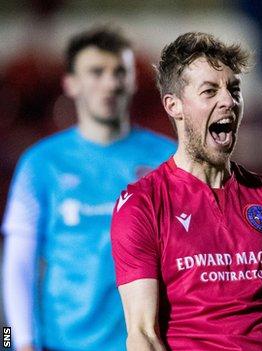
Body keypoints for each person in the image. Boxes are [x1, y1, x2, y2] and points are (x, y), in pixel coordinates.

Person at [110, 32, 262, 351]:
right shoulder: (143, 204)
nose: (228, 101)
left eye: (234, 89)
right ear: (174, 106)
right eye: (210, 91)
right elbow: (144, 334)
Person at [2, 27, 176, 351]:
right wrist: (17, 342)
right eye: (96, 72)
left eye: (119, 72)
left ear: (134, 81)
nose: (109, 83)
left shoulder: (169, 159)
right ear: (70, 83)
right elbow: (18, 264)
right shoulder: (40, 164)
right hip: (62, 343)